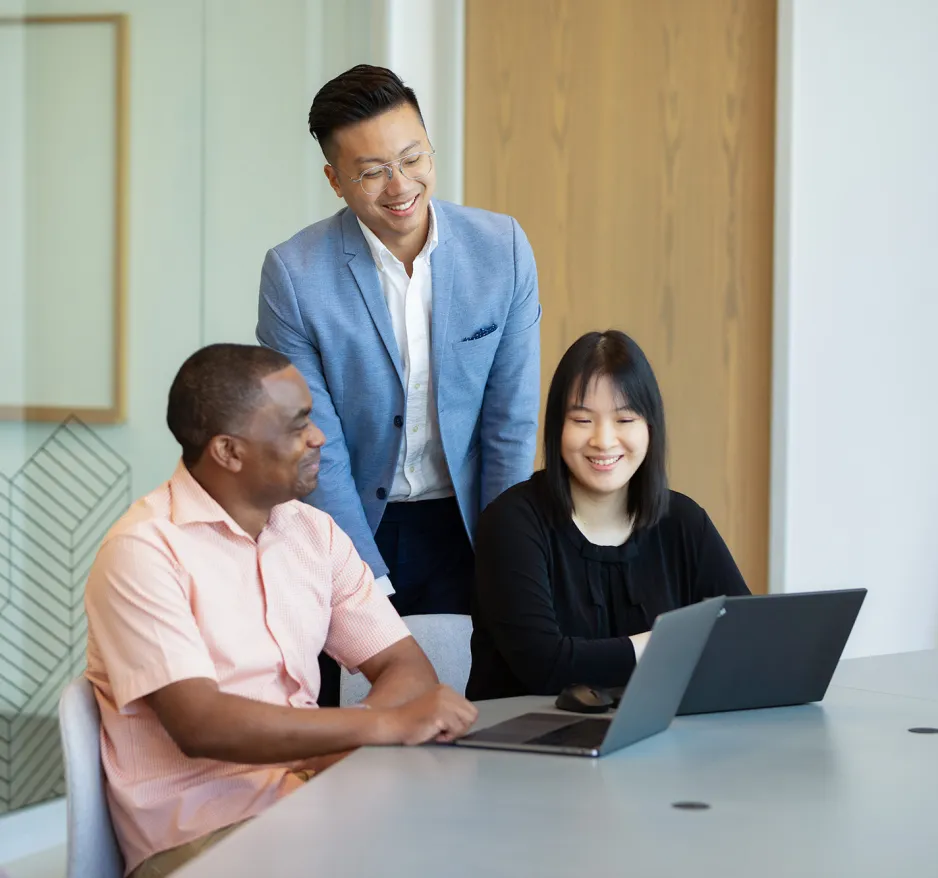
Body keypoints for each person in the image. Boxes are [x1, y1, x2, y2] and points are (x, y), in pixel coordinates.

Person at [85, 344, 477, 878]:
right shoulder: (143, 551)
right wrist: (382, 726)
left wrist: (360, 729)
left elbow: (405, 666)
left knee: (475, 843)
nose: (317, 437)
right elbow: (201, 724)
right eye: (296, 426)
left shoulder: (314, 533)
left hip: (311, 802)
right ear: (228, 451)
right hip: (201, 835)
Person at [256, 64, 541, 632]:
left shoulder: (501, 249)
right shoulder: (294, 274)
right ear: (335, 180)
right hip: (351, 518)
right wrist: (360, 579)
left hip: (469, 516)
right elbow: (316, 444)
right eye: (372, 172)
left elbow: (509, 421)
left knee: (482, 703)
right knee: (368, 704)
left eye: (413, 159)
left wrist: (504, 555)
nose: (401, 185)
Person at [465, 330, 751, 701]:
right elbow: (545, 667)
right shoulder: (511, 524)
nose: (603, 440)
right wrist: (668, 643)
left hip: (654, 743)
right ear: (557, 428)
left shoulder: (682, 521)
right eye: (583, 421)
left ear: (650, 428)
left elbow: (743, 634)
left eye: (625, 420)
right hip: (523, 742)